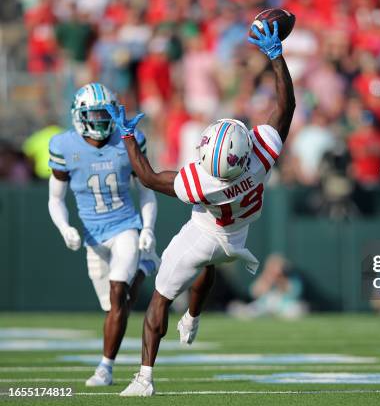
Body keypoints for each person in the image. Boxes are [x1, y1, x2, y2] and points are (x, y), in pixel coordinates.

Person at [110, 20, 295, 396]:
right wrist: (277, 58)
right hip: (239, 234)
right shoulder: (259, 158)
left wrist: (128, 136)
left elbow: (146, 177)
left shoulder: (202, 181)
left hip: (207, 234)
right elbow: (286, 106)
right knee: (209, 267)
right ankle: (193, 317)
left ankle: (144, 378)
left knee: (161, 298)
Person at [47, 83, 160, 387]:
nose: (98, 121)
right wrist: (65, 228)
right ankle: (145, 266)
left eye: (103, 114)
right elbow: (55, 198)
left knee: (117, 292)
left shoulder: (128, 140)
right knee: (113, 307)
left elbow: (147, 193)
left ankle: (104, 368)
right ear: (78, 115)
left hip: (125, 225)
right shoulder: (63, 146)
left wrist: (146, 228)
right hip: (93, 236)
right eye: (92, 114)